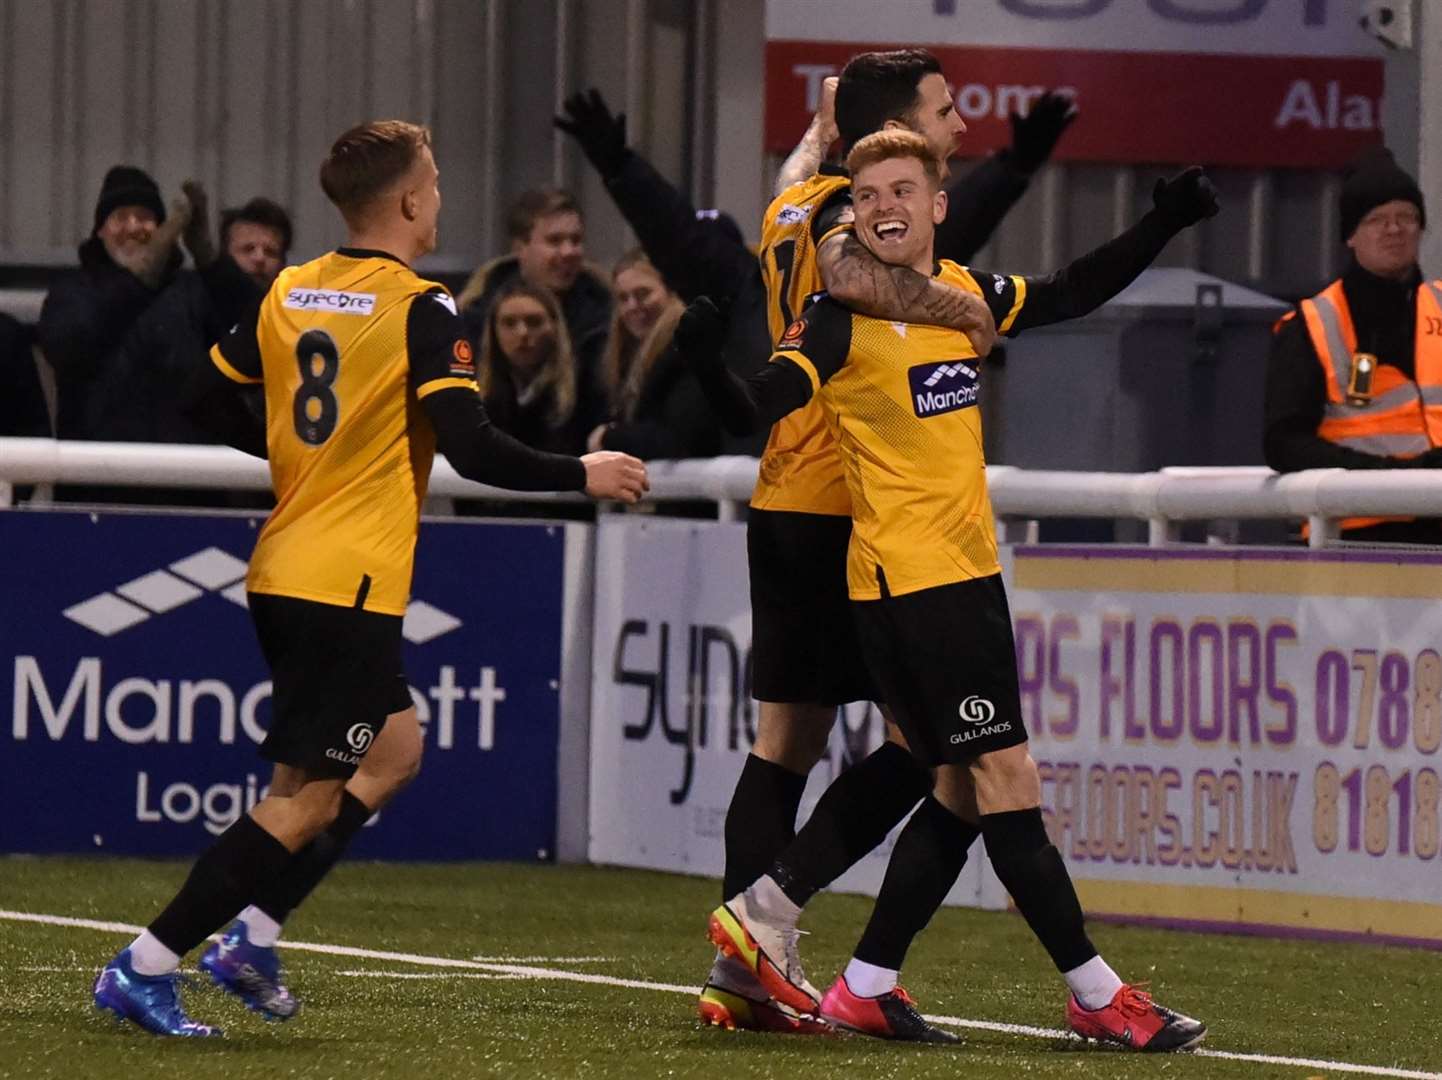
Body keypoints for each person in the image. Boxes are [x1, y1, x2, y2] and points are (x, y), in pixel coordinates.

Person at [693, 47, 1218, 1038]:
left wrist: (1155, 221)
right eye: (940, 114)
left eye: (915, 181)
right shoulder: (845, 271)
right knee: (966, 768)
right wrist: (948, 302)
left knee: (921, 764)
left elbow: (1061, 290)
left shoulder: (836, 221)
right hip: (855, 530)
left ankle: (842, 967)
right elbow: (827, 310)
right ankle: (772, 930)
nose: (951, 132)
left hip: (912, 552)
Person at [91, 119, 648, 1038]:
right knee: (304, 801)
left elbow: (196, 395)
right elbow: (470, 447)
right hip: (345, 585)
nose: (439, 194)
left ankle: (253, 937)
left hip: (288, 566)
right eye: (432, 179)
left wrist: (296, 454)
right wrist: (579, 475)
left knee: (390, 756)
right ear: (410, 201)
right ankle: (147, 965)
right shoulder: (421, 307)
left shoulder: (290, 287)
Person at [1264, 146, 1442, 542]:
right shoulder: (1312, 325)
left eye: (1407, 217)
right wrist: (1387, 476)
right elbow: (1284, 443)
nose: (1394, 230)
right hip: (1356, 536)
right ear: (1350, 236)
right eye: (1377, 219)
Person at [37, 165, 187, 443]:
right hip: (94, 474)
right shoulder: (72, 292)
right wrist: (138, 280)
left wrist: (211, 259)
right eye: (119, 217)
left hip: (184, 473)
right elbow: (66, 347)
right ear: (100, 231)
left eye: (143, 218)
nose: (132, 227)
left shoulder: (188, 293)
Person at [456, 188, 613, 431]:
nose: (569, 251)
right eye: (555, 241)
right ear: (520, 247)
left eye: (576, 240)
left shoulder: (605, 317)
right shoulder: (475, 317)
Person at [586, 250, 721, 460]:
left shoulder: (688, 349)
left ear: (671, 291)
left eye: (643, 294)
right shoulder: (620, 359)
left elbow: (680, 438)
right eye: (623, 298)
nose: (632, 306)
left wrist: (609, 437)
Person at [476, 281, 586, 455]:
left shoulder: (584, 385)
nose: (523, 333)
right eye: (509, 323)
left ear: (555, 327)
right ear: (493, 332)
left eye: (534, 322)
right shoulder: (477, 394)